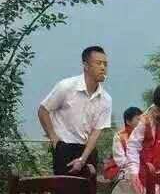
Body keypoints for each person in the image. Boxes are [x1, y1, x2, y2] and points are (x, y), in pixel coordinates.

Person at [37, 46, 111, 178]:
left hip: (87, 150)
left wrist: (83, 159)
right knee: (64, 189)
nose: (103, 68)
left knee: (88, 189)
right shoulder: (66, 87)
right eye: (98, 63)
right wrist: (54, 139)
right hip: (64, 148)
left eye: (105, 64)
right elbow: (43, 110)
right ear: (86, 66)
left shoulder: (106, 99)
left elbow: (95, 133)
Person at [103, 106, 143, 182]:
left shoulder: (144, 134)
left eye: (142, 119)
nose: (141, 122)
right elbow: (121, 161)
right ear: (128, 122)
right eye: (138, 119)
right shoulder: (119, 136)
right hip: (121, 168)